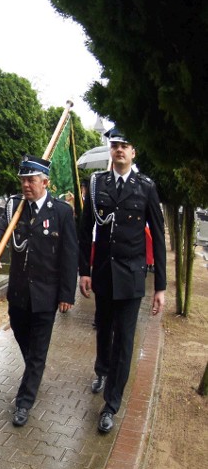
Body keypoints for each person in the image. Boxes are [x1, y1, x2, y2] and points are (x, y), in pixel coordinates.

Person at [79, 127, 166, 434]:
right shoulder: (97, 184)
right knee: (104, 328)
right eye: (115, 145)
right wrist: (84, 270)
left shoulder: (145, 187)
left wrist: (160, 287)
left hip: (131, 278)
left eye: (124, 145)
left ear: (133, 153)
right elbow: (85, 227)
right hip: (103, 273)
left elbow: (157, 235)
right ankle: (102, 369)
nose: (119, 150)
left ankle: (111, 404)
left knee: (125, 341)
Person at [0, 155, 78, 427]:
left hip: (46, 296)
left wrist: (66, 295)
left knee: (38, 352)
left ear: (45, 182)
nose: (26, 184)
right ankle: (35, 371)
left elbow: (69, 256)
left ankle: (24, 402)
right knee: (26, 343)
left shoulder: (60, 212)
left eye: (31, 180)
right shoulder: (14, 207)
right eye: (23, 179)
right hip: (19, 295)